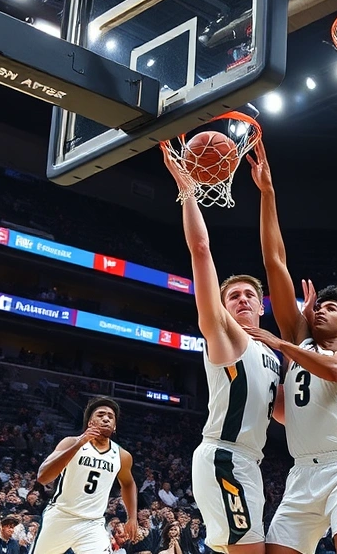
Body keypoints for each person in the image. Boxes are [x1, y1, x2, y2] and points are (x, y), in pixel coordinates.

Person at [244, 140, 337, 554]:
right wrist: (268, 195)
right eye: (319, 306)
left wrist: (282, 343)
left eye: (331, 308)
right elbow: (275, 262)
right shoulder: (301, 339)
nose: (321, 311)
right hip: (301, 472)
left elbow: (335, 371)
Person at [162, 142, 282, 554]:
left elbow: (284, 413)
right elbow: (201, 250)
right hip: (223, 457)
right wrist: (188, 191)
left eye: (250, 295)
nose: (243, 299)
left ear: (261, 309)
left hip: (250, 463)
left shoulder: (272, 353)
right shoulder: (225, 334)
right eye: (234, 296)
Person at [34, 397, 139, 554]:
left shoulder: (122, 456)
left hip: (93, 523)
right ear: (90, 422)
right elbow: (43, 477)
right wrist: (79, 444)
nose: (106, 419)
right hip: (61, 517)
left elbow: (128, 484)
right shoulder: (70, 442)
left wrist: (132, 517)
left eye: (111, 417)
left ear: (115, 426)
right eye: (100, 415)